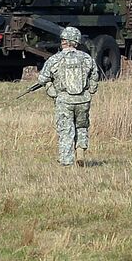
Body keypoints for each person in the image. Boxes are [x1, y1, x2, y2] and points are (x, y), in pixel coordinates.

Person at [35, 26, 98, 166]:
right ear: (76, 41)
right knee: (82, 127)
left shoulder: (55, 59)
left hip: (64, 100)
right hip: (83, 99)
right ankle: (80, 150)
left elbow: (42, 78)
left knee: (66, 130)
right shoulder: (86, 58)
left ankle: (66, 161)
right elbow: (95, 75)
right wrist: (91, 90)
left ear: (64, 41)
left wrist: (51, 90)